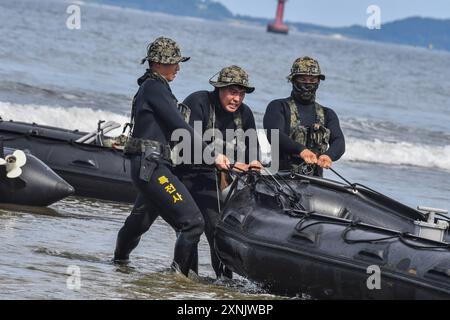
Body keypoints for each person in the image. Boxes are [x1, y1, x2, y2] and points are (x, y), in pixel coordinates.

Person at [113, 37, 229, 277]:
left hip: (151, 165)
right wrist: (212, 156)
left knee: (139, 222)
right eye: (174, 62)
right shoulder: (155, 87)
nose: (178, 67)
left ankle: (118, 264)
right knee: (193, 223)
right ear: (158, 63)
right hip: (152, 166)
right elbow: (180, 128)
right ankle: (178, 279)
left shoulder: (154, 87)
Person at [176, 65, 262, 278]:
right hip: (183, 174)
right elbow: (187, 141)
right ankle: (182, 278)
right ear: (219, 89)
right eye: (233, 92)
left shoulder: (245, 113)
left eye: (241, 93)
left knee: (216, 229)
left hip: (213, 179)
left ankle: (224, 282)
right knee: (189, 226)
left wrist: (253, 161)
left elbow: (252, 144)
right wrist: (220, 160)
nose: (237, 99)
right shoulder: (199, 102)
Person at [263, 56, 345, 176]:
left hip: (314, 182)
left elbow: (339, 141)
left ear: (318, 82)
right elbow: (274, 135)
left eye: (312, 80)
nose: (307, 84)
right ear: (293, 80)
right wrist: (301, 150)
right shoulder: (278, 106)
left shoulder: (328, 114)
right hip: (280, 177)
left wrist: (328, 155)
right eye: (302, 79)